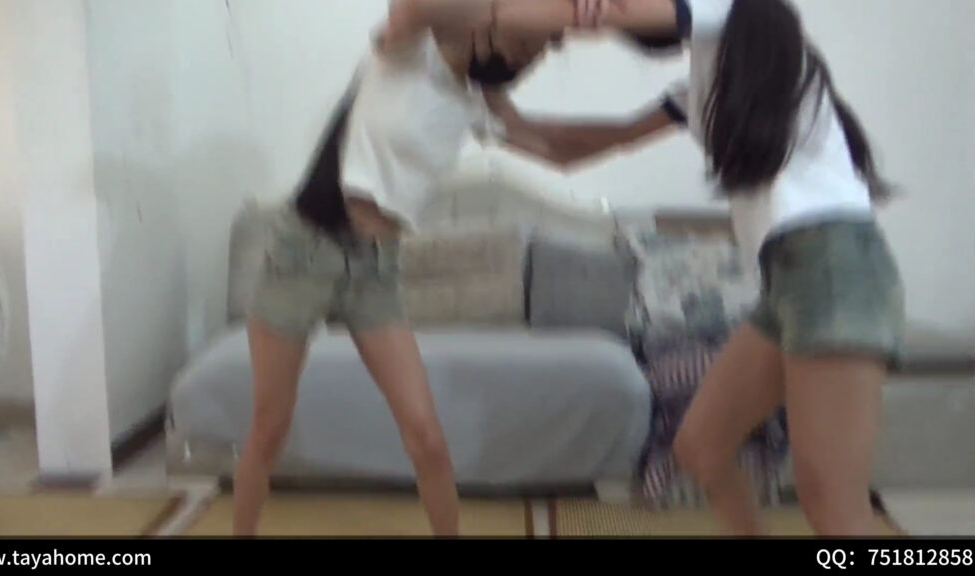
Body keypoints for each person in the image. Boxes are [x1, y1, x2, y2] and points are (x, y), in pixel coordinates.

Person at [390, 0, 904, 536]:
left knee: (833, 508)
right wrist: (487, 110)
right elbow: (574, 149)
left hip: (833, 269)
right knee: (702, 447)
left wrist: (465, 14)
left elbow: (603, 13)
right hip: (788, 285)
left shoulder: (723, 7)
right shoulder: (704, 85)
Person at [232, 9, 556, 536]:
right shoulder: (407, 46)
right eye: (526, 44)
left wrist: (657, 120)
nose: (530, 56)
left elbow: (558, 149)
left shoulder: (473, 103)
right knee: (269, 429)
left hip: (375, 270)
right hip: (301, 256)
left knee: (426, 436)